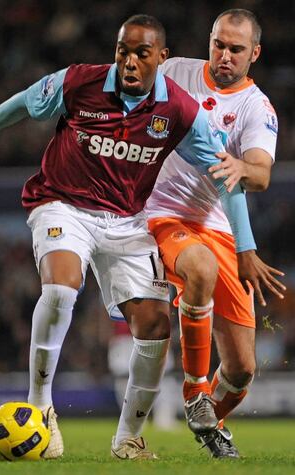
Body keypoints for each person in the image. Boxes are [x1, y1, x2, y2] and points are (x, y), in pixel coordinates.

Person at [0, 14, 266, 461]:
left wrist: (246, 246)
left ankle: (129, 438)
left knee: (156, 327)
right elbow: (25, 102)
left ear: (162, 57)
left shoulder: (178, 109)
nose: (130, 62)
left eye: (142, 53)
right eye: (123, 51)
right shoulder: (81, 82)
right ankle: (41, 410)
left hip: (126, 220)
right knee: (61, 286)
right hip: (62, 203)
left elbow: (225, 174)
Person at [146, 8, 286, 458]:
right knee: (199, 269)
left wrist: (242, 165)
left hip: (217, 223)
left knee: (243, 368)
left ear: (255, 53)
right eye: (218, 44)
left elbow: (260, 175)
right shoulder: (174, 73)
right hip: (162, 213)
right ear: (209, 41)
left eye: (236, 49)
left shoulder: (256, 107)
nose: (224, 56)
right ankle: (194, 392)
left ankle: (208, 424)